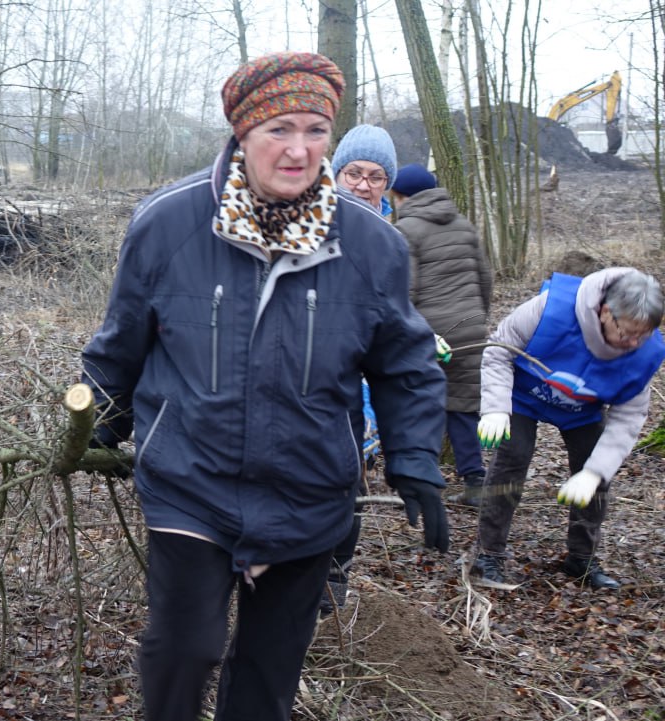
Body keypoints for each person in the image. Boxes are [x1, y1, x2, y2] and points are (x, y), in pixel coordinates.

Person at [81, 52, 449, 721]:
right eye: (280, 128)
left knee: (266, 677)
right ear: (242, 133)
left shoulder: (370, 242)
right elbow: (120, 340)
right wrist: (95, 423)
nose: (299, 149)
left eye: (315, 130)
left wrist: (416, 456)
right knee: (184, 650)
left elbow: (406, 363)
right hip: (192, 482)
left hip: (309, 491)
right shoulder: (168, 223)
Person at [471, 268, 665, 591]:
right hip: (523, 396)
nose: (633, 343)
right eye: (628, 333)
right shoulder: (550, 309)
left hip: (583, 409)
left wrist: (594, 472)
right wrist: (495, 408)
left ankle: (581, 558)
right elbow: (499, 350)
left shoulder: (643, 354)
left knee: (595, 473)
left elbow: (629, 417)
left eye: (642, 336)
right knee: (512, 459)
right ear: (605, 312)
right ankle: (489, 554)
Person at [319, 122, 402, 617]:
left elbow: (392, 322)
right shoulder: (310, 223)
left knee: (348, 489)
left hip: (361, 393)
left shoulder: (392, 240)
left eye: (375, 176)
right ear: (336, 173)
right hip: (309, 381)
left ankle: (332, 586)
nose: (363, 185)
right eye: (354, 173)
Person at [391, 163, 493, 505]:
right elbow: (485, 278)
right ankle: (475, 480)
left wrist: (405, 331)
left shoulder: (406, 229)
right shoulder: (464, 225)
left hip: (429, 332)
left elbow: (407, 290)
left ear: (401, 195)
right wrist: (477, 318)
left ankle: (424, 482)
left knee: (421, 405)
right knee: (462, 407)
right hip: (470, 327)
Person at [331, 124, 396, 217]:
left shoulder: (391, 231)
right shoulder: (309, 226)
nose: (363, 186)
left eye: (376, 178)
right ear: (336, 176)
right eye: (353, 174)